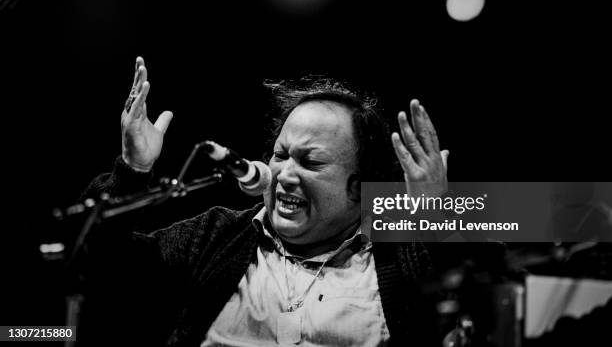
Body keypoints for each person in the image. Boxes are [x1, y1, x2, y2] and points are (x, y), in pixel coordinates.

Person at [78, 56, 450, 346]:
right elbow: (102, 264)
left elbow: (503, 251)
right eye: (280, 154)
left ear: (361, 185)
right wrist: (132, 169)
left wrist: (439, 211)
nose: (285, 174)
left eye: (310, 162)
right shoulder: (218, 235)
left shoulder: (402, 250)